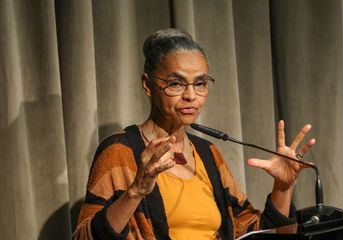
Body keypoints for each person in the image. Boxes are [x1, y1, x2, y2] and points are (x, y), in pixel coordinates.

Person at [72, 28, 315, 240]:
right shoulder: (120, 152)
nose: (191, 95)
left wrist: (283, 188)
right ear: (147, 84)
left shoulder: (208, 154)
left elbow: (252, 232)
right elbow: (85, 238)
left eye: (200, 83)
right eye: (176, 83)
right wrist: (135, 191)